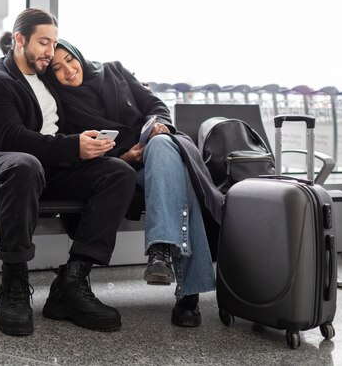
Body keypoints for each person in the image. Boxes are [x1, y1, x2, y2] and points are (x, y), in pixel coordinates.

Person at [0, 9, 137, 336]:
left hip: (46, 169)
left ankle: (72, 283)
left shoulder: (45, 77)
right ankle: (15, 282)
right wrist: (72, 147)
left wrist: (126, 94)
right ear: (20, 40)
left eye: (54, 43)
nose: (51, 52)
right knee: (24, 163)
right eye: (43, 43)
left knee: (118, 173)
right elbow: (9, 138)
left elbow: (83, 89)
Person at [45, 39, 224, 327]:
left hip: (153, 146)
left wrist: (157, 125)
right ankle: (186, 291)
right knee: (183, 183)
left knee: (164, 145)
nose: (68, 70)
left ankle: (160, 251)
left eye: (69, 60)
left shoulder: (114, 71)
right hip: (122, 168)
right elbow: (78, 154)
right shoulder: (60, 103)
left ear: (78, 54)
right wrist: (122, 156)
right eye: (57, 68)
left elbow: (154, 104)